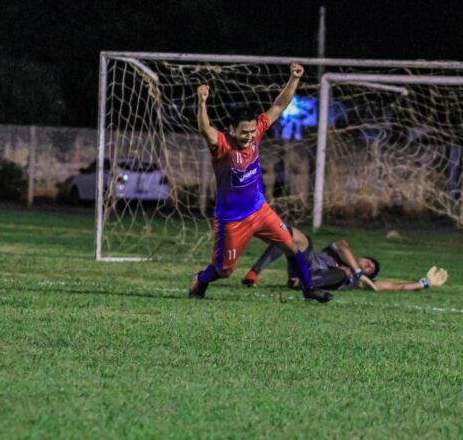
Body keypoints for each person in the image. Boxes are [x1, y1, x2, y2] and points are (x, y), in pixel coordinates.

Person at [188, 62, 331, 302]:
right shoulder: (222, 145)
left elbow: (279, 105)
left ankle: (309, 290)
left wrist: (294, 79)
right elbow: (205, 129)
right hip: (232, 220)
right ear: (232, 129)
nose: (250, 136)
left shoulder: (257, 132)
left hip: (260, 210)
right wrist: (202, 104)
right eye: (244, 132)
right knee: (225, 271)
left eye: (252, 131)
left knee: (291, 246)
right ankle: (200, 280)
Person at [243, 226, 448, 293]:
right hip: (303, 264)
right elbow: (340, 245)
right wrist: (357, 270)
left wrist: (424, 283)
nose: (367, 267)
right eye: (368, 262)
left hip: (310, 281)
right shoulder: (340, 251)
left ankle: (304, 284)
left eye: (370, 270)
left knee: (343, 274)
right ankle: (254, 272)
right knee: (289, 234)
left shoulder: (356, 279)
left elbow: (394, 285)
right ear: (360, 257)